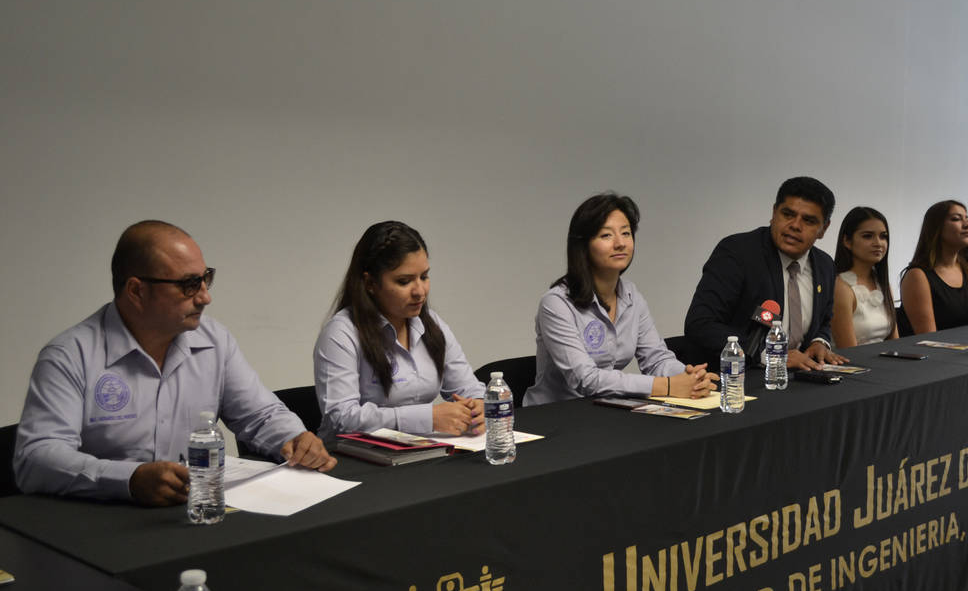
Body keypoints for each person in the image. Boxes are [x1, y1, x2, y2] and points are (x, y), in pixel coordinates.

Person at [14, 221, 335, 505]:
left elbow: (260, 414)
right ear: (137, 291)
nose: (205, 297)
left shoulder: (214, 341)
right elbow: (36, 458)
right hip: (102, 523)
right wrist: (129, 479)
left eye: (206, 278)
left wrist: (293, 438)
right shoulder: (71, 356)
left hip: (196, 511)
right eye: (189, 284)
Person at [524, 193, 716, 406]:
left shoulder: (632, 295)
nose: (620, 243)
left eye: (626, 233)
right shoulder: (557, 304)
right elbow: (586, 379)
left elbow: (656, 358)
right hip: (555, 417)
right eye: (606, 236)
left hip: (605, 411)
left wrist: (690, 378)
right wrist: (669, 386)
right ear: (583, 245)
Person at [314, 221, 485, 439]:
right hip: (352, 459)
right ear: (370, 283)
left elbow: (468, 388)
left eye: (424, 277)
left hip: (418, 450)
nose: (420, 292)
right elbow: (341, 418)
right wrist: (427, 418)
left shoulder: (431, 323)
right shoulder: (341, 333)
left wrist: (478, 406)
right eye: (404, 281)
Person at [684, 177, 848, 369]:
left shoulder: (824, 265)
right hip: (736, 379)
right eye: (787, 214)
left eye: (808, 220)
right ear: (773, 213)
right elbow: (700, 324)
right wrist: (772, 354)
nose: (795, 225)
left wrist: (819, 342)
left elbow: (825, 319)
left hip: (799, 380)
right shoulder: (738, 254)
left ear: (823, 229)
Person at [898, 200, 968, 336]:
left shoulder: (967, 270)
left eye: (967, 219)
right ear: (936, 228)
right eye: (956, 219)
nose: (967, 225)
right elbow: (928, 337)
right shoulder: (917, 276)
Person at [831, 206, 897, 347]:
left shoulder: (883, 284)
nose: (878, 243)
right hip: (853, 365)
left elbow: (895, 344)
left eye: (883, 236)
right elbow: (848, 352)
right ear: (847, 241)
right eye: (868, 236)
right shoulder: (841, 287)